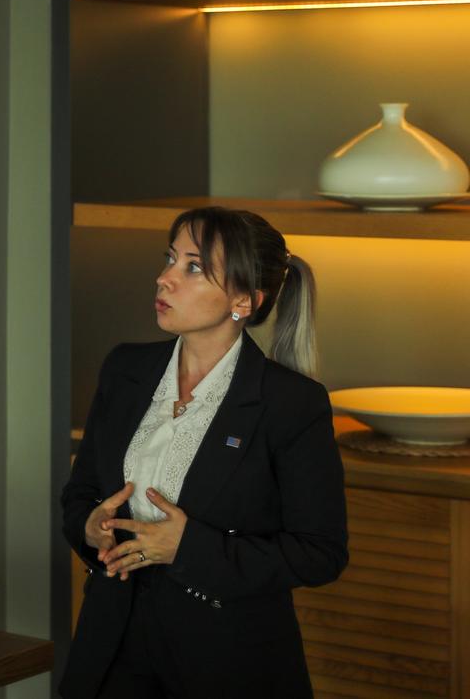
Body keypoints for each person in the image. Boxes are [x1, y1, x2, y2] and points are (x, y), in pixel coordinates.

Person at [59, 206, 348, 699]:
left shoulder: (291, 404)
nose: (164, 278)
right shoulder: (125, 370)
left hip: (227, 662)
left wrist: (187, 548)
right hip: (110, 650)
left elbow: (321, 553)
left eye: (193, 267)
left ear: (244, 300)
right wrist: (89, 527)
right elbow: (80, 493)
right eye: (170, 258)